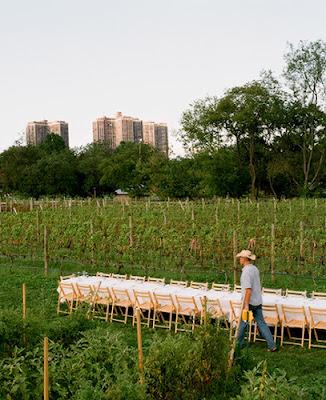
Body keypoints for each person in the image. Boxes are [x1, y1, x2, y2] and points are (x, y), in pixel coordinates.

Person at [236, 249, 277, 352]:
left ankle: (238, 344)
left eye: (241, 257)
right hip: (257, 301)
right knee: (261, 323)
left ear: (245, 259)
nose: (239, 259)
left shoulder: (246, 272)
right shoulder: (255, 269)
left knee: (243, 324)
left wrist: (246, 305)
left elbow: (248, 290)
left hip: (249, 303)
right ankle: (272, 345)